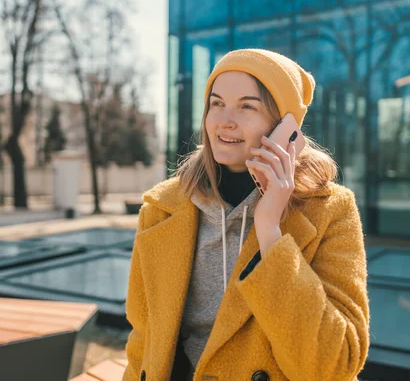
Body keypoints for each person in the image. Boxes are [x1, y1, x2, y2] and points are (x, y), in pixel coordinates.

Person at [123, 49, 369, 381]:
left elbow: (335, 365)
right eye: (216, 103)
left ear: (286, 126)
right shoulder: (162, 208)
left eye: (247, 106)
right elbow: (143, 341)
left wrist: (270, 229)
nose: (225, 120)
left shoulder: (329, 210)